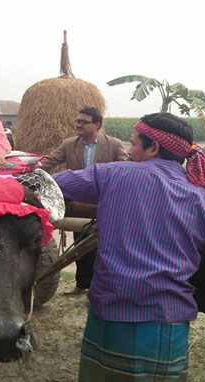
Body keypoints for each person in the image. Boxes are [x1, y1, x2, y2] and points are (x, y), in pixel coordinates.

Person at [53, 113, 205, 381]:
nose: (130, 151)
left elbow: (47, 186)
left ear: (153, 147)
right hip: (166, 331)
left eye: (133, 144)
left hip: (110, 321)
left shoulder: (111, 174)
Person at [39, 107, 127, 295]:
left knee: (104, 248)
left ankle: (100, 288)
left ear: (97, 125)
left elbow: (126, 169)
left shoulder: (114, 144)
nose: (79, 125)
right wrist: (31, 172)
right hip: (78, 206)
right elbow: (48, 162)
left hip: (104, 204)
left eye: (84, 122)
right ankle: (82, 285)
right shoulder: (69, 144)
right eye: (77, 121)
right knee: (80, 245)